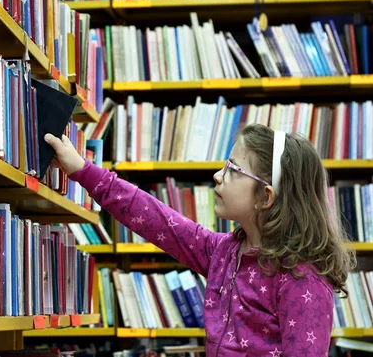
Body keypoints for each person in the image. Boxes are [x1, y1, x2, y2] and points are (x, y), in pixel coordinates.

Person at [45, 123, 355, 356]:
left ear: (266, 196)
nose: (218, 176)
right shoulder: (223, 252)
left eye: (233, 170)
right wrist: (82, 170)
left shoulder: (302, 278)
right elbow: (155, 218)